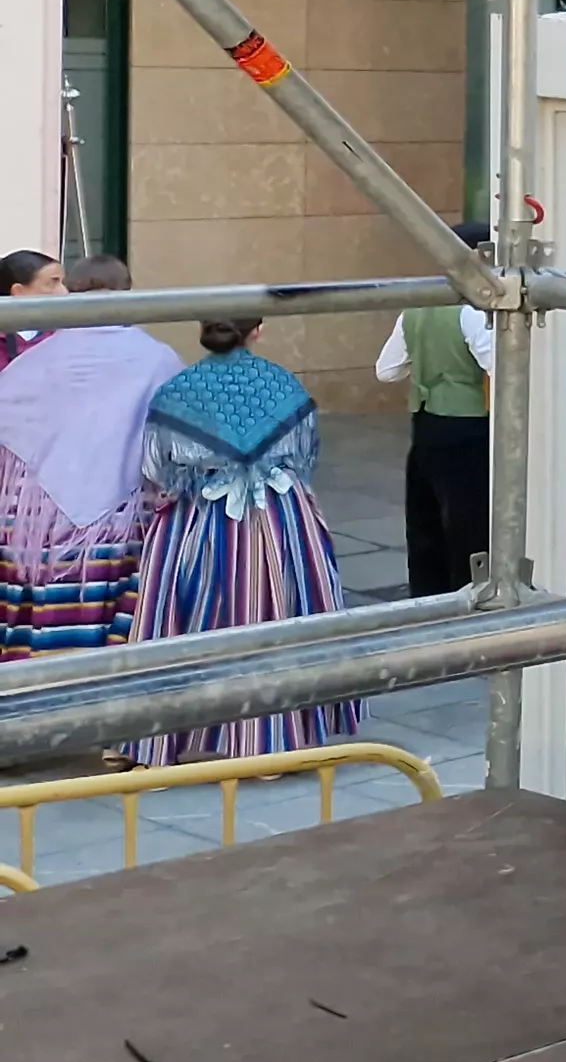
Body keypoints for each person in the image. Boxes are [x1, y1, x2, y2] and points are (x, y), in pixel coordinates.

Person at [124, 319, 360, 765]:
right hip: (278, 511)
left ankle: (165, 737)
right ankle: (270, 741)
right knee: (279, 612)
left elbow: (156, 467)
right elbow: (306, 452)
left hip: (198, 512)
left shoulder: (177, 390)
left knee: (182, 617)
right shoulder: (283, 384)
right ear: (258, 330)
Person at [0, 256, 183, 663]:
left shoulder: (40, 355)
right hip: (121, 514)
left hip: (33, 516)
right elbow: (176, 435)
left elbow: (8, 411)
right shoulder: (158, 358)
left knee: (29, 583)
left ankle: (29, 673)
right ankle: (100, 675)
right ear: (126, 294)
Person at [377, 223, 496, 597]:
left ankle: (426, 600)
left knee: (424, 522)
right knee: (468, 524)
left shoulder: (415, 307)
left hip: (425, 424)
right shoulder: (473, 313)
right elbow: (499, 368)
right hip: (469, 428)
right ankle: (467, 599)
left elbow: (386, 371)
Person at [0, 249, 60, 370]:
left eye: (63, 283)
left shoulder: (62, 333)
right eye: (52, 283)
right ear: (19, 291)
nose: (64, 292)